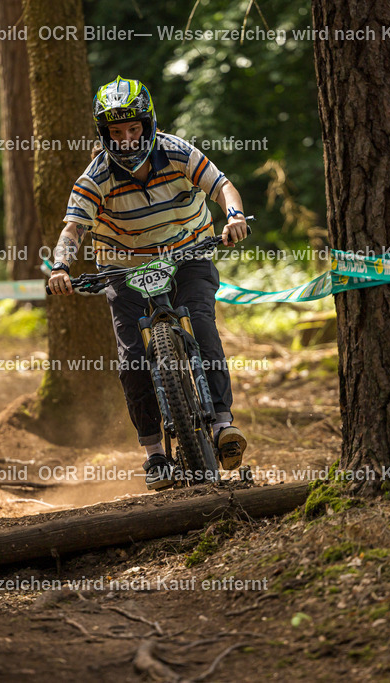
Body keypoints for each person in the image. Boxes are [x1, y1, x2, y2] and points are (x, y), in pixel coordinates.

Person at [48, 76, 248, 491]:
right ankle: (154, 453)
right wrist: (60, 267)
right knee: (132, 360)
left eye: (133, 128)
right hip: (123, 268)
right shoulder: (95, 176)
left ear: (148, 124)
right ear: (104, 134)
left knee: (202, 325)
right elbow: (73, 229)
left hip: (188, 253)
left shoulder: (176, 152)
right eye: (117, 132)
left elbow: (222, 187)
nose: (127, 139)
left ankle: (222, 426)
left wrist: (234, 216)